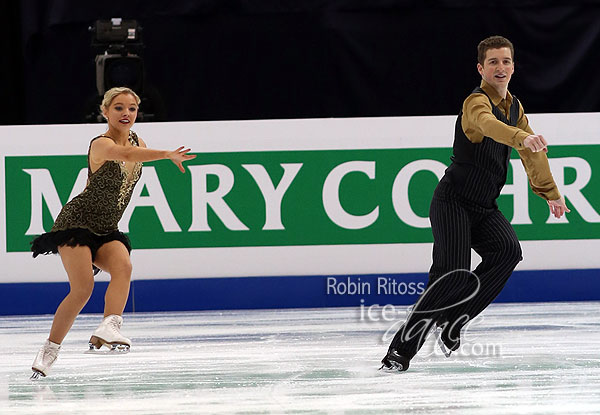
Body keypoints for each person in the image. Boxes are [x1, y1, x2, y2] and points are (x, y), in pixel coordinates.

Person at [381, 36, 570, 371]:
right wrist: (520, 136)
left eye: (506, 61)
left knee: (508, 251)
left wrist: (551, 192)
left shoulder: (515, 107)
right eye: (493, 62)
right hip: (453, 201)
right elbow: (489, 126)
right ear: (481, 68)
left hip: (484, 207)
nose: (501, 68)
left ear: (514, 66)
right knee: (451, 275)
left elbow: (532, 150)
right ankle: (400, 351)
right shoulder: (475, 103)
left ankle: (453, 320)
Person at [30, 87, 196, 379]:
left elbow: (134, 149)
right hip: (76, 223)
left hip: (107, 228)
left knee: (123, 266)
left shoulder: (139, 140)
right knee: (82, 289)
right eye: (119, 108)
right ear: (105, 112)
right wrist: (167, 153)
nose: (126, 114)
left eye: (131, 109)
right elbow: (127, 154)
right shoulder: (101, 144)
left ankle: (110, 324)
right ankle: (50, 348)